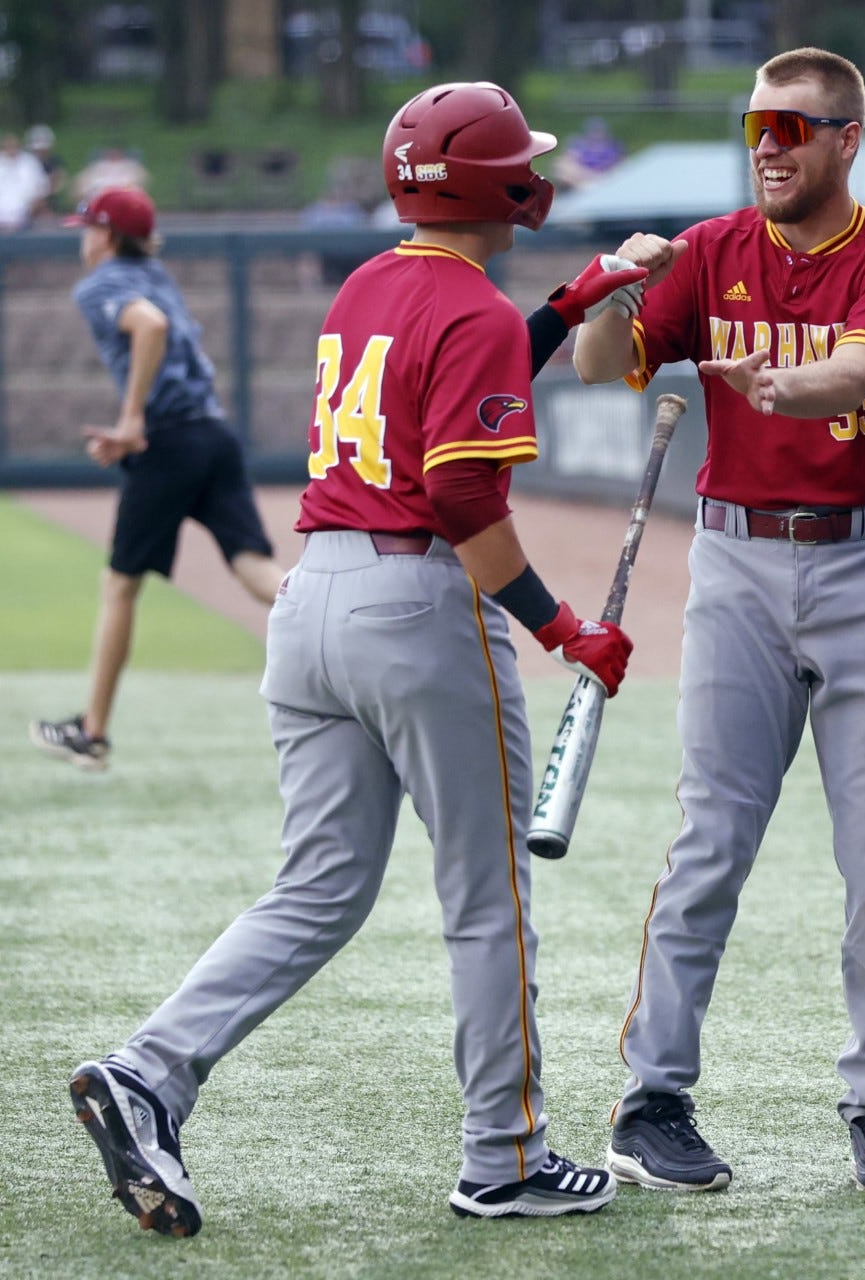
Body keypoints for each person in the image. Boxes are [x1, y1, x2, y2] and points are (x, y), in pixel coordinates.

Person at [65, 81, 645, 1236]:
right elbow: (461, 484)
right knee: (489, 894)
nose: (533, 170)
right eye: (518, 157)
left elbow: (453, 380)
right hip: (419, 603)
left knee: (320, 884)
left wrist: (575, 298)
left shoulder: (368, 284)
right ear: (492, 184)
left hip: (314, 594)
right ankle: (507, 1154)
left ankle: (149, 1069)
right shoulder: (471, 305)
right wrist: (558, 626)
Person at [573, 46, 865, 1194]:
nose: (769, 147)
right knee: (708, 841)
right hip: (736, 559)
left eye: (794, 128)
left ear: (847, 140)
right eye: (757, 127)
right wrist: (614, 287)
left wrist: (778, 379)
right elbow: (597, 368)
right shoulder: (712, 249)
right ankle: (653, 1098)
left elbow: (848, 378)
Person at [29, 187, 285, 771]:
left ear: (108, 236)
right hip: (212, 432)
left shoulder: (101, 284)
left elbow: (150, 328)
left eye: (89, 227)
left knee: (120, 584)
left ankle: (92, 733)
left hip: (168, 440)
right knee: (254, 569)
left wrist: (131, 419)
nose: (83, 237)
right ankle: (350, 625)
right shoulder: (157, 272)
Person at [0, 131, 49, 231]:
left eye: (14, 146)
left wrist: (32, 207)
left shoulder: (30, 162)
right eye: (8, 146)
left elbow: (41, 189)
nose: (11, 149)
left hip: (24, 212)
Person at [25, 123, 70, 214]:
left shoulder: (54, 162)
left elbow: (61, 180)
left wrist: (47, 192)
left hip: (48, 199)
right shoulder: (25, 163)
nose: (41, 152)